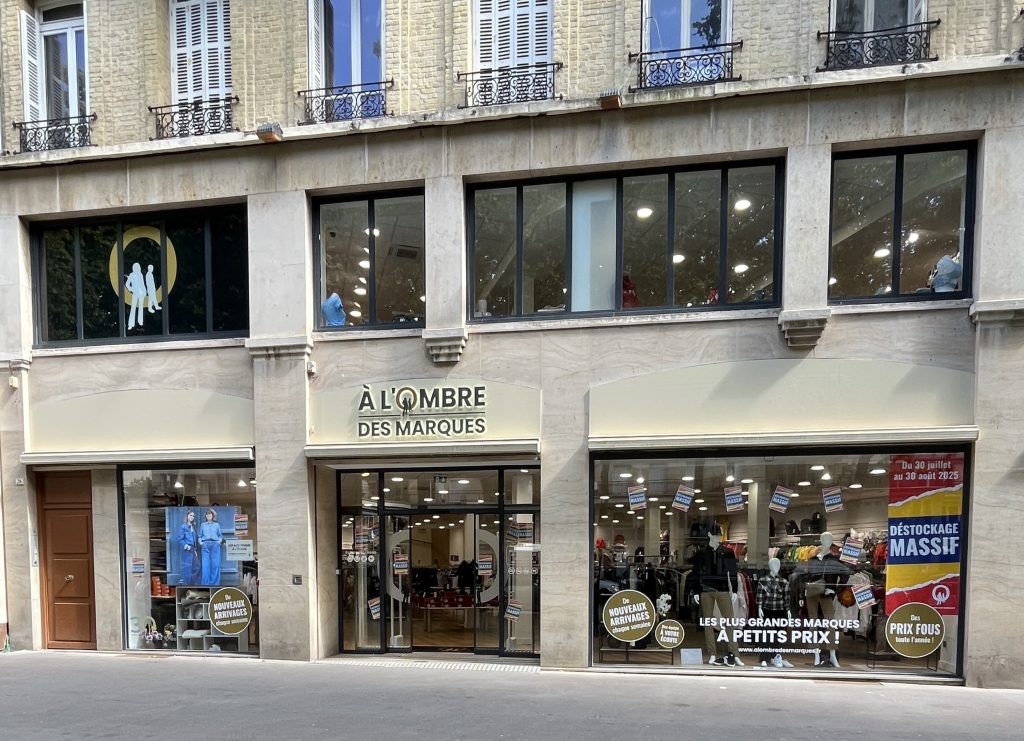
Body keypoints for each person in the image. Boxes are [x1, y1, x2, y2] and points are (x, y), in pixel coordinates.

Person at [199, 508, 225, 586]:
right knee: (205, 565)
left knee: (215, 565)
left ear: (213, 515)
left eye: (210, 514)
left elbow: (220, 535)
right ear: (205, 516)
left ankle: (215, 584)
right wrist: (201, 543)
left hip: (215, 544)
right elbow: (200, 536)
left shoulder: (217, 525)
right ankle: (205, 584)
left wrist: (219, 541)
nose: (208, 515)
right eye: (207, 514)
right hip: (205, 544)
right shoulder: (202, 525)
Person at [176, 510, 200, 585]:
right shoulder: (183, 527)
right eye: (190, 515)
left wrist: (195, 550)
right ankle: (186, 584)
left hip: (193, 549)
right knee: (187, 568)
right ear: (187, 516)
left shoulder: (192, 527)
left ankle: (192, 583)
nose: (192, 517)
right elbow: (180, 539)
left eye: (193, 516)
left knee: (197, 566)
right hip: (187, 549)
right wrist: (186, 546)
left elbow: (194, 539)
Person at [125, 263, 146, 330]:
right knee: (133, 308)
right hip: (135, 293)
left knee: (140, 307)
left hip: (141, 293)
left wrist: (144, 291)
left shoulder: (140, 274)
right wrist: (131, 289)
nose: (137, 268)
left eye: (138, 267)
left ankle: (140, 321)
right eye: (136, 267)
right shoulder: (131, 275)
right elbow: (127, 284)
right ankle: (131, 324)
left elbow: (142, 284)